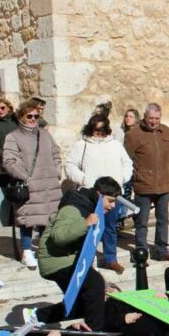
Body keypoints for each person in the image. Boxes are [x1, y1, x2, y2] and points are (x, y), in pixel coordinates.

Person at [34, 177, 117, 328]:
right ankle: (94, 331)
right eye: (110, 201)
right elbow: (59, 237)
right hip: (55, 260)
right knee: (95, 284)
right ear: (99, 195)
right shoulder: (74, 207)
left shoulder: (90, 208)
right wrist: (85, 223)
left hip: (68, 258)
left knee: (82, 303)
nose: (113, 206)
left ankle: (36, 316)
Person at [65, 113, 133, 274]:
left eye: (102, 130)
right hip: (91, 194)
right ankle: (86, 261)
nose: (99, 133)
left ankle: (111, 259)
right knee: (89, 228)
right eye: (96, 130)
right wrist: (84, 179)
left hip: (112, 195)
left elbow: (127, 163)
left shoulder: (115, 145)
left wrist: (122, 178)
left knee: (110, 228)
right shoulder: (81, 145)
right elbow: (70, 165)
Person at [3, 99, 62, 269]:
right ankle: (27, 251)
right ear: (21, 117)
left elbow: (56, 153)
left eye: (36, 116)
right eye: (29, 116)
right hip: (30, 185)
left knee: (47, 218)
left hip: (49, 184)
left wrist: (57, 170)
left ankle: (44, 249)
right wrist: (24, 177)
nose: (33, 119)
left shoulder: (45, 134)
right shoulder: (13, 137)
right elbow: (9, 161)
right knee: (28, 219)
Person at [124, 103, 169, 262]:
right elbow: (125, 159)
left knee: (163, 219)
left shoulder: (166, 131)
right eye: (151, 118)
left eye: (157, 118)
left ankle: (161, 250)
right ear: (145, 117)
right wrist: (135, 176)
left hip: (163, 184)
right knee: (142, 221)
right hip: (143, 185)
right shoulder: (134, 134)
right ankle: (141, 251)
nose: (154, 121)